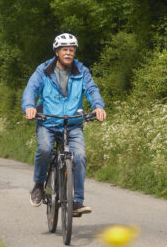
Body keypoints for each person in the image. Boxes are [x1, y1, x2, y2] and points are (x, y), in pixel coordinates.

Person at [22, 33, 106, 215]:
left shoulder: (81, 70)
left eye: (72, 50)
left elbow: (91, 90)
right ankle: (38, 185)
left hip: (73, 123)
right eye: (65, 50)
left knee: (80, 156)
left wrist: (98, 106)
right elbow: (31, 89)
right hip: (48, 121)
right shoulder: (44, 70)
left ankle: (77, 201)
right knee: (44, 149)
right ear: (57, 52)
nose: (69, 53)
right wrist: (29, 106)